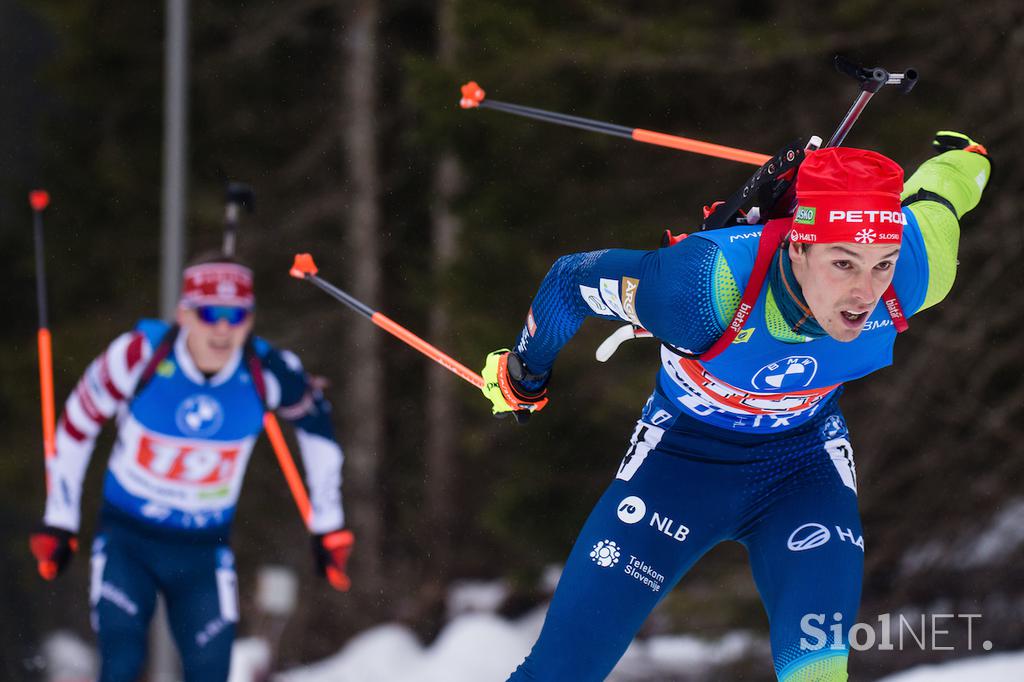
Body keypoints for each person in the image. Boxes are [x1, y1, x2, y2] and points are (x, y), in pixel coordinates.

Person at [480, 132, 990, 681]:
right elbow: (569, 282)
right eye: (843, 264)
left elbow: (941, 195)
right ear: (798, 246)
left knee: (817, 674)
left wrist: (964, 158)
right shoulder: (704, 289)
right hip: (677, 465)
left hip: (802, 470)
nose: (866, 294)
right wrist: (523, 373)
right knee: (560, 672)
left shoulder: (917, 271)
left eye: (881, 264)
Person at [29, 254, 353, 682]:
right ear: (184, 313)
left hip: (203, 547)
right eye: (209, 313)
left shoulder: (266, 371)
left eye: (236, 315)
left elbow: (319, 434)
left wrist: (328, 525)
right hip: (129, 539)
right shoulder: (137, 356)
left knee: (210, 670)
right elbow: (75, 426)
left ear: (250, 319)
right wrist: (60, 520)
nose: (222, 328)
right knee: (122, 660)